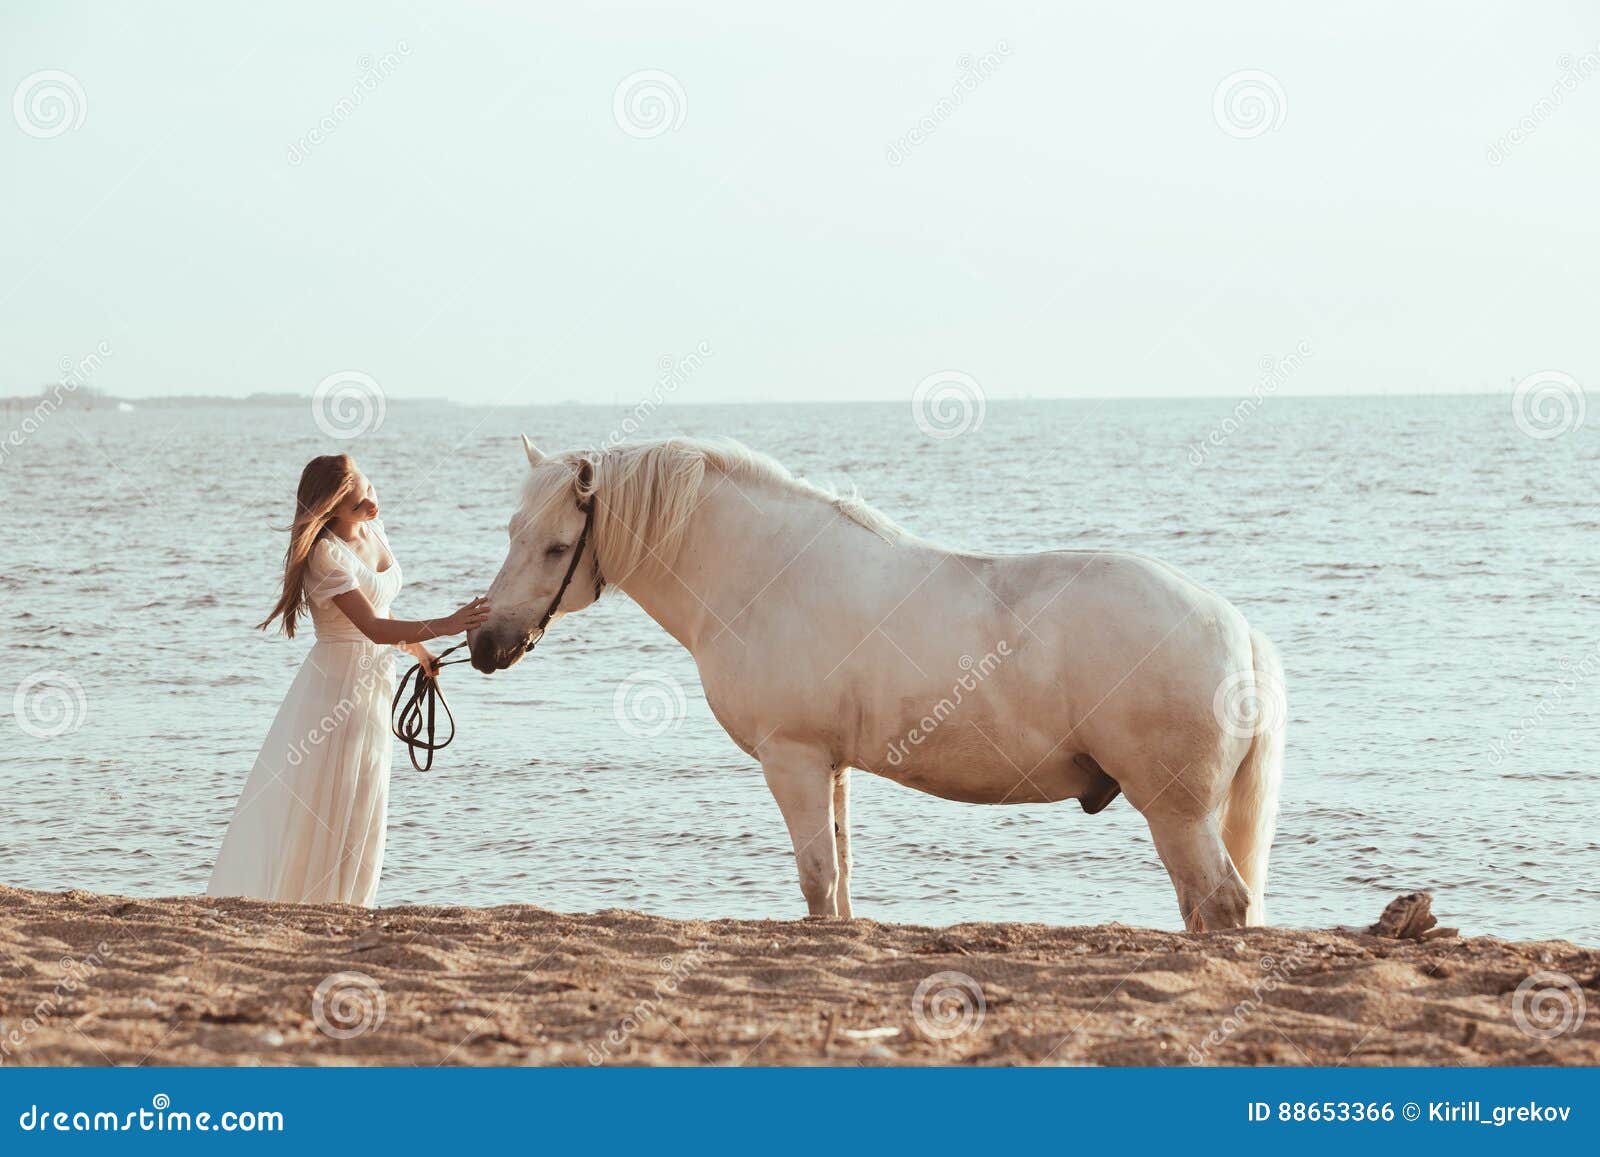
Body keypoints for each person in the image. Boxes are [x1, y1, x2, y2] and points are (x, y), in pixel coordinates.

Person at [207, 453, 490, 905]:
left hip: (375, 679)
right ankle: (317, 900)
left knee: (366, 789)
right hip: (337, 684)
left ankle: (352, 900)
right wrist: (450, 622)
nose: (370, 491)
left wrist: (421, 653)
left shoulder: (375, 532)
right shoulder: (324, 555)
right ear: (334, 502)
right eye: (358, 489)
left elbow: (384, 612)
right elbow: (372, 628)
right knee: (332, 792)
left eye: (367, 481)